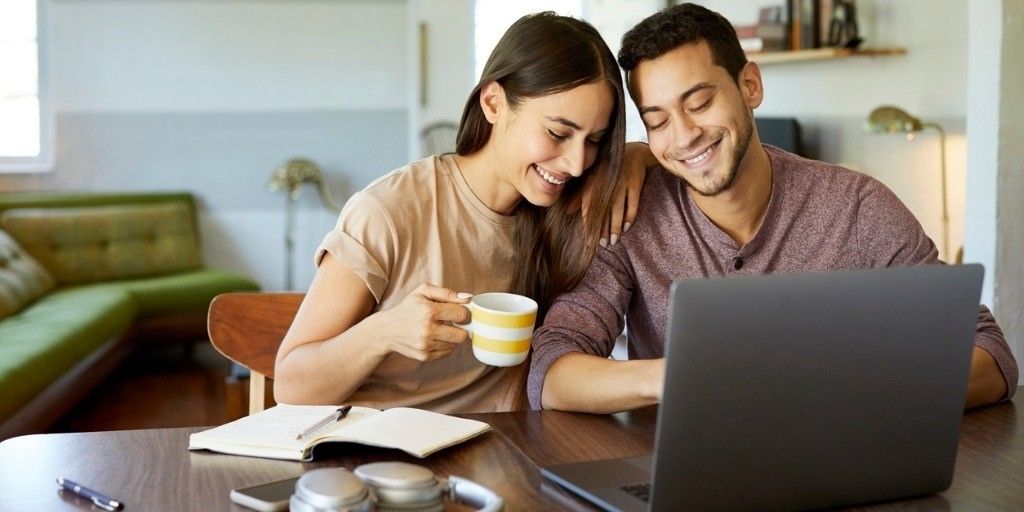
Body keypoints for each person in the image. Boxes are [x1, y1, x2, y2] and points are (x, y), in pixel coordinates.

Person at [528, 3, 1018, 413]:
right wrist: (671, 378)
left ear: (750, 87)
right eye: (657, 121)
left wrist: (853, 392)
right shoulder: (629, 216)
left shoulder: (857, 208)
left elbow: (990, 355)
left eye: (699, 103)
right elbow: (551, 371)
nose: (683, 136)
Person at [273, 12, 639, 413]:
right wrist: (383, 333)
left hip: (502, 456)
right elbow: (291, 385)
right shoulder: (389, 210)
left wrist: (637, 157)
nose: (575, 163)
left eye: (595, 141)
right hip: (381, 455)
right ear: (494, 102)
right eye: (557, 133)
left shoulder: (570, 207)